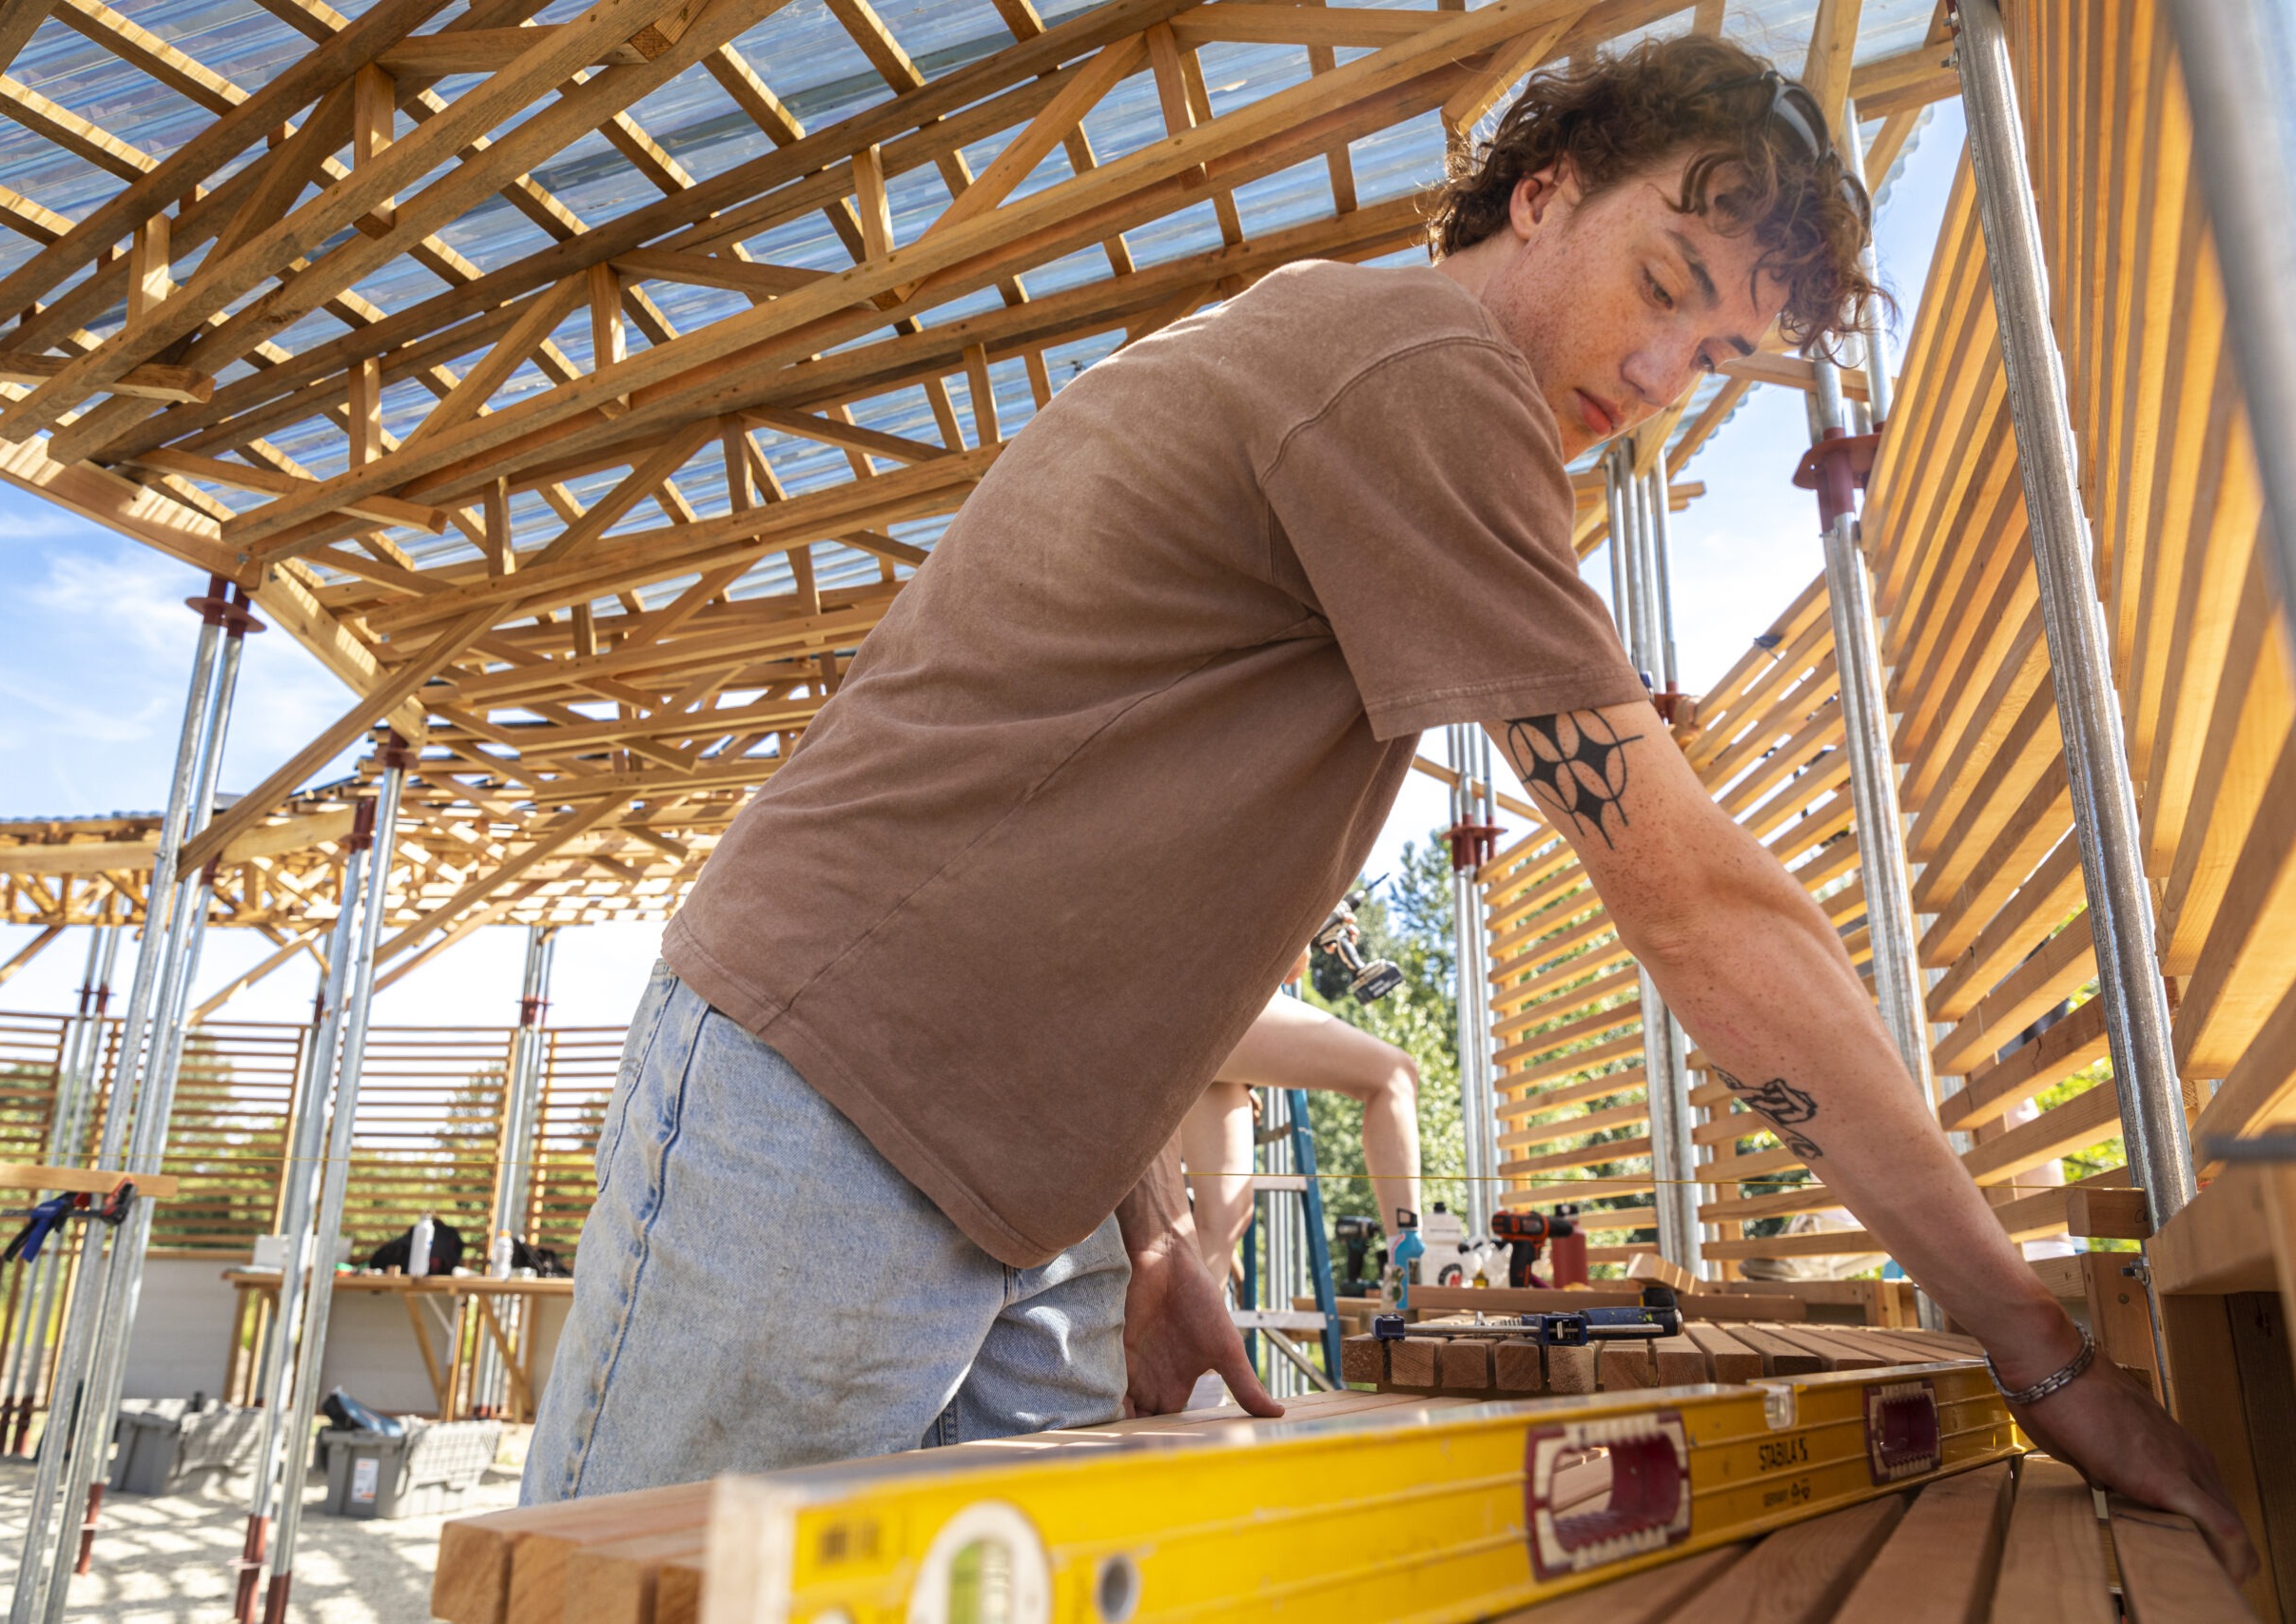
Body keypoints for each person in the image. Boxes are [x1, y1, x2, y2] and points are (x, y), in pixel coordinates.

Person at [523, 31, 2253, 1577]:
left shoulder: (1356, 370)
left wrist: (1144, 1227)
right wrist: (2043, 1356)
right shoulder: (1420, 370)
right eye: (1666, 282)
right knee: (635, 1595)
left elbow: (1076, 841)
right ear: (1543, 191)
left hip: (999, 1191)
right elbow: (1703, 907)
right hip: (826, 1105)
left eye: (1722, 355)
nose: (1664, 380)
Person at [1177, 968, 1423, 1283]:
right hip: (1211, 995)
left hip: (1188, 1006)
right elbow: (1292, 964)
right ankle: (1409, 1266)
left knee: (1225, 1217)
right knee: (1395, 1074)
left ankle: (1186, 1331)